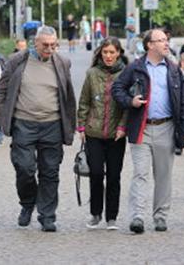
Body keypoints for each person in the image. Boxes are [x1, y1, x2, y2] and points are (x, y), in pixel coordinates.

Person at [0, 26, 76, 232]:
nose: (50, 49)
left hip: (52, 125)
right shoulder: (18, 61)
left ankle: (47, 215)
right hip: (24, 124)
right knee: (24, 168)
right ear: (35, 43)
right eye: (45, 45)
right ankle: (27, 204)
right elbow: (2, 91)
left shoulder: (62, 63)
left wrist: (71, 124)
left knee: (50, 171)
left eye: (53, 45)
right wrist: (4, 118)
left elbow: (68, 95)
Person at [112, 29, 184, 234]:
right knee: (140, 173)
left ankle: (160, 217)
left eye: (167, 40)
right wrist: (130, 102)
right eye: (161, 41)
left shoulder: (173, 69)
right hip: (142, 127)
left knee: (163, 175)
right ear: (149, 45)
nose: (166, 44)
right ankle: (137, 216)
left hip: (167, 127)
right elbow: (117, 89)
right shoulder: (136, 68)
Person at [77, 37, 128, 230]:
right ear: (100, 53)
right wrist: (81, 126)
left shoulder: (125, 74)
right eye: (105, 52)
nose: (108, 56)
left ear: (118, 53)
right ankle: (96, 213)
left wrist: (123, 127)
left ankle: (112, 217)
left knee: (114, 176)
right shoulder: (92, 74)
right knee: (96, 173)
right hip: (94, 133)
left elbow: (127, 106)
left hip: (117, 135)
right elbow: (84, 102)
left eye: (112, 52)